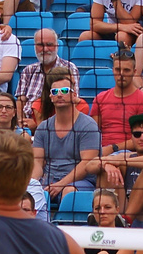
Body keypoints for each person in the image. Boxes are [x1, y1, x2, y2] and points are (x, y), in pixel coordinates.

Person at [32, 68, 101, 207]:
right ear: (50, 97)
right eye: (55, 92)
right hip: (48, 181)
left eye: (64, 91)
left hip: (80, 182)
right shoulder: (43, 128)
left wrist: (61, 184)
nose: (59, 95)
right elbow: (37, 163)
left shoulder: (88, 126)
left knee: (69, 192)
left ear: (73, 94)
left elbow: (87, 164)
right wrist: (32, 182)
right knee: (30, 190)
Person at [92, 51, 143, 157]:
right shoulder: (100, 98)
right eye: (118, 70)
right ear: (113, 70)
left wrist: (112, 148)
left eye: (126, 70)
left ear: (134, 72)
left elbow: (142, 139)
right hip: (101, 152)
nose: (121, 74)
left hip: (130, 154)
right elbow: (93, 134)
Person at [14, 29, 72, 128]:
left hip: (55, 125)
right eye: (40, 45)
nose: (45, 49)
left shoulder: (69, 68)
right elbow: (20, 100)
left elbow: (71, 101)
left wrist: (38, 125)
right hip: (27, 125)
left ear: (57, 46)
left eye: (49, 44)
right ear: (35, 47)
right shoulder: (28, 70)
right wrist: (21, 122)